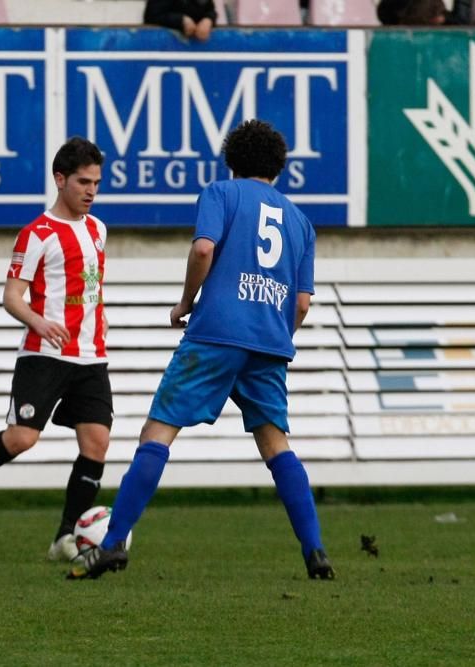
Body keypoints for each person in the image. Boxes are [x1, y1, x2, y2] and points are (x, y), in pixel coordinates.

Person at [69, 119, 334, 581]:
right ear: (279, 168)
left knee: (157, 433)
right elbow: (303, 303)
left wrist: (186, 302)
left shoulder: (221, 193)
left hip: (215, 334)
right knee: (276, 446)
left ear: (231, 161)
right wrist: (275, 334)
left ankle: (112, 546)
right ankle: (315, 552)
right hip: (269, 343)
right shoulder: (301, 222)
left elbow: (203, 250)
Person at [0, 137, 112, 563]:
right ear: (60, 179)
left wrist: (99, 322)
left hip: (89, 355)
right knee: (22, 438)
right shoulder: (36, 234)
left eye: (97, 183)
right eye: (83, 182)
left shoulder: (98, 230)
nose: (91, 191)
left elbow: (92, 288)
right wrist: (38, 321)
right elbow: (12, 296)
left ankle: (65, 537)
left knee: (97, 441)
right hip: (42, 354)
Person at [143, 0, 217, 42]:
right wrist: (180, 19)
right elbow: (151, 16)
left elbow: (210, 10)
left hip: (194, 48)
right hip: (161, 45)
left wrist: (208, 19)